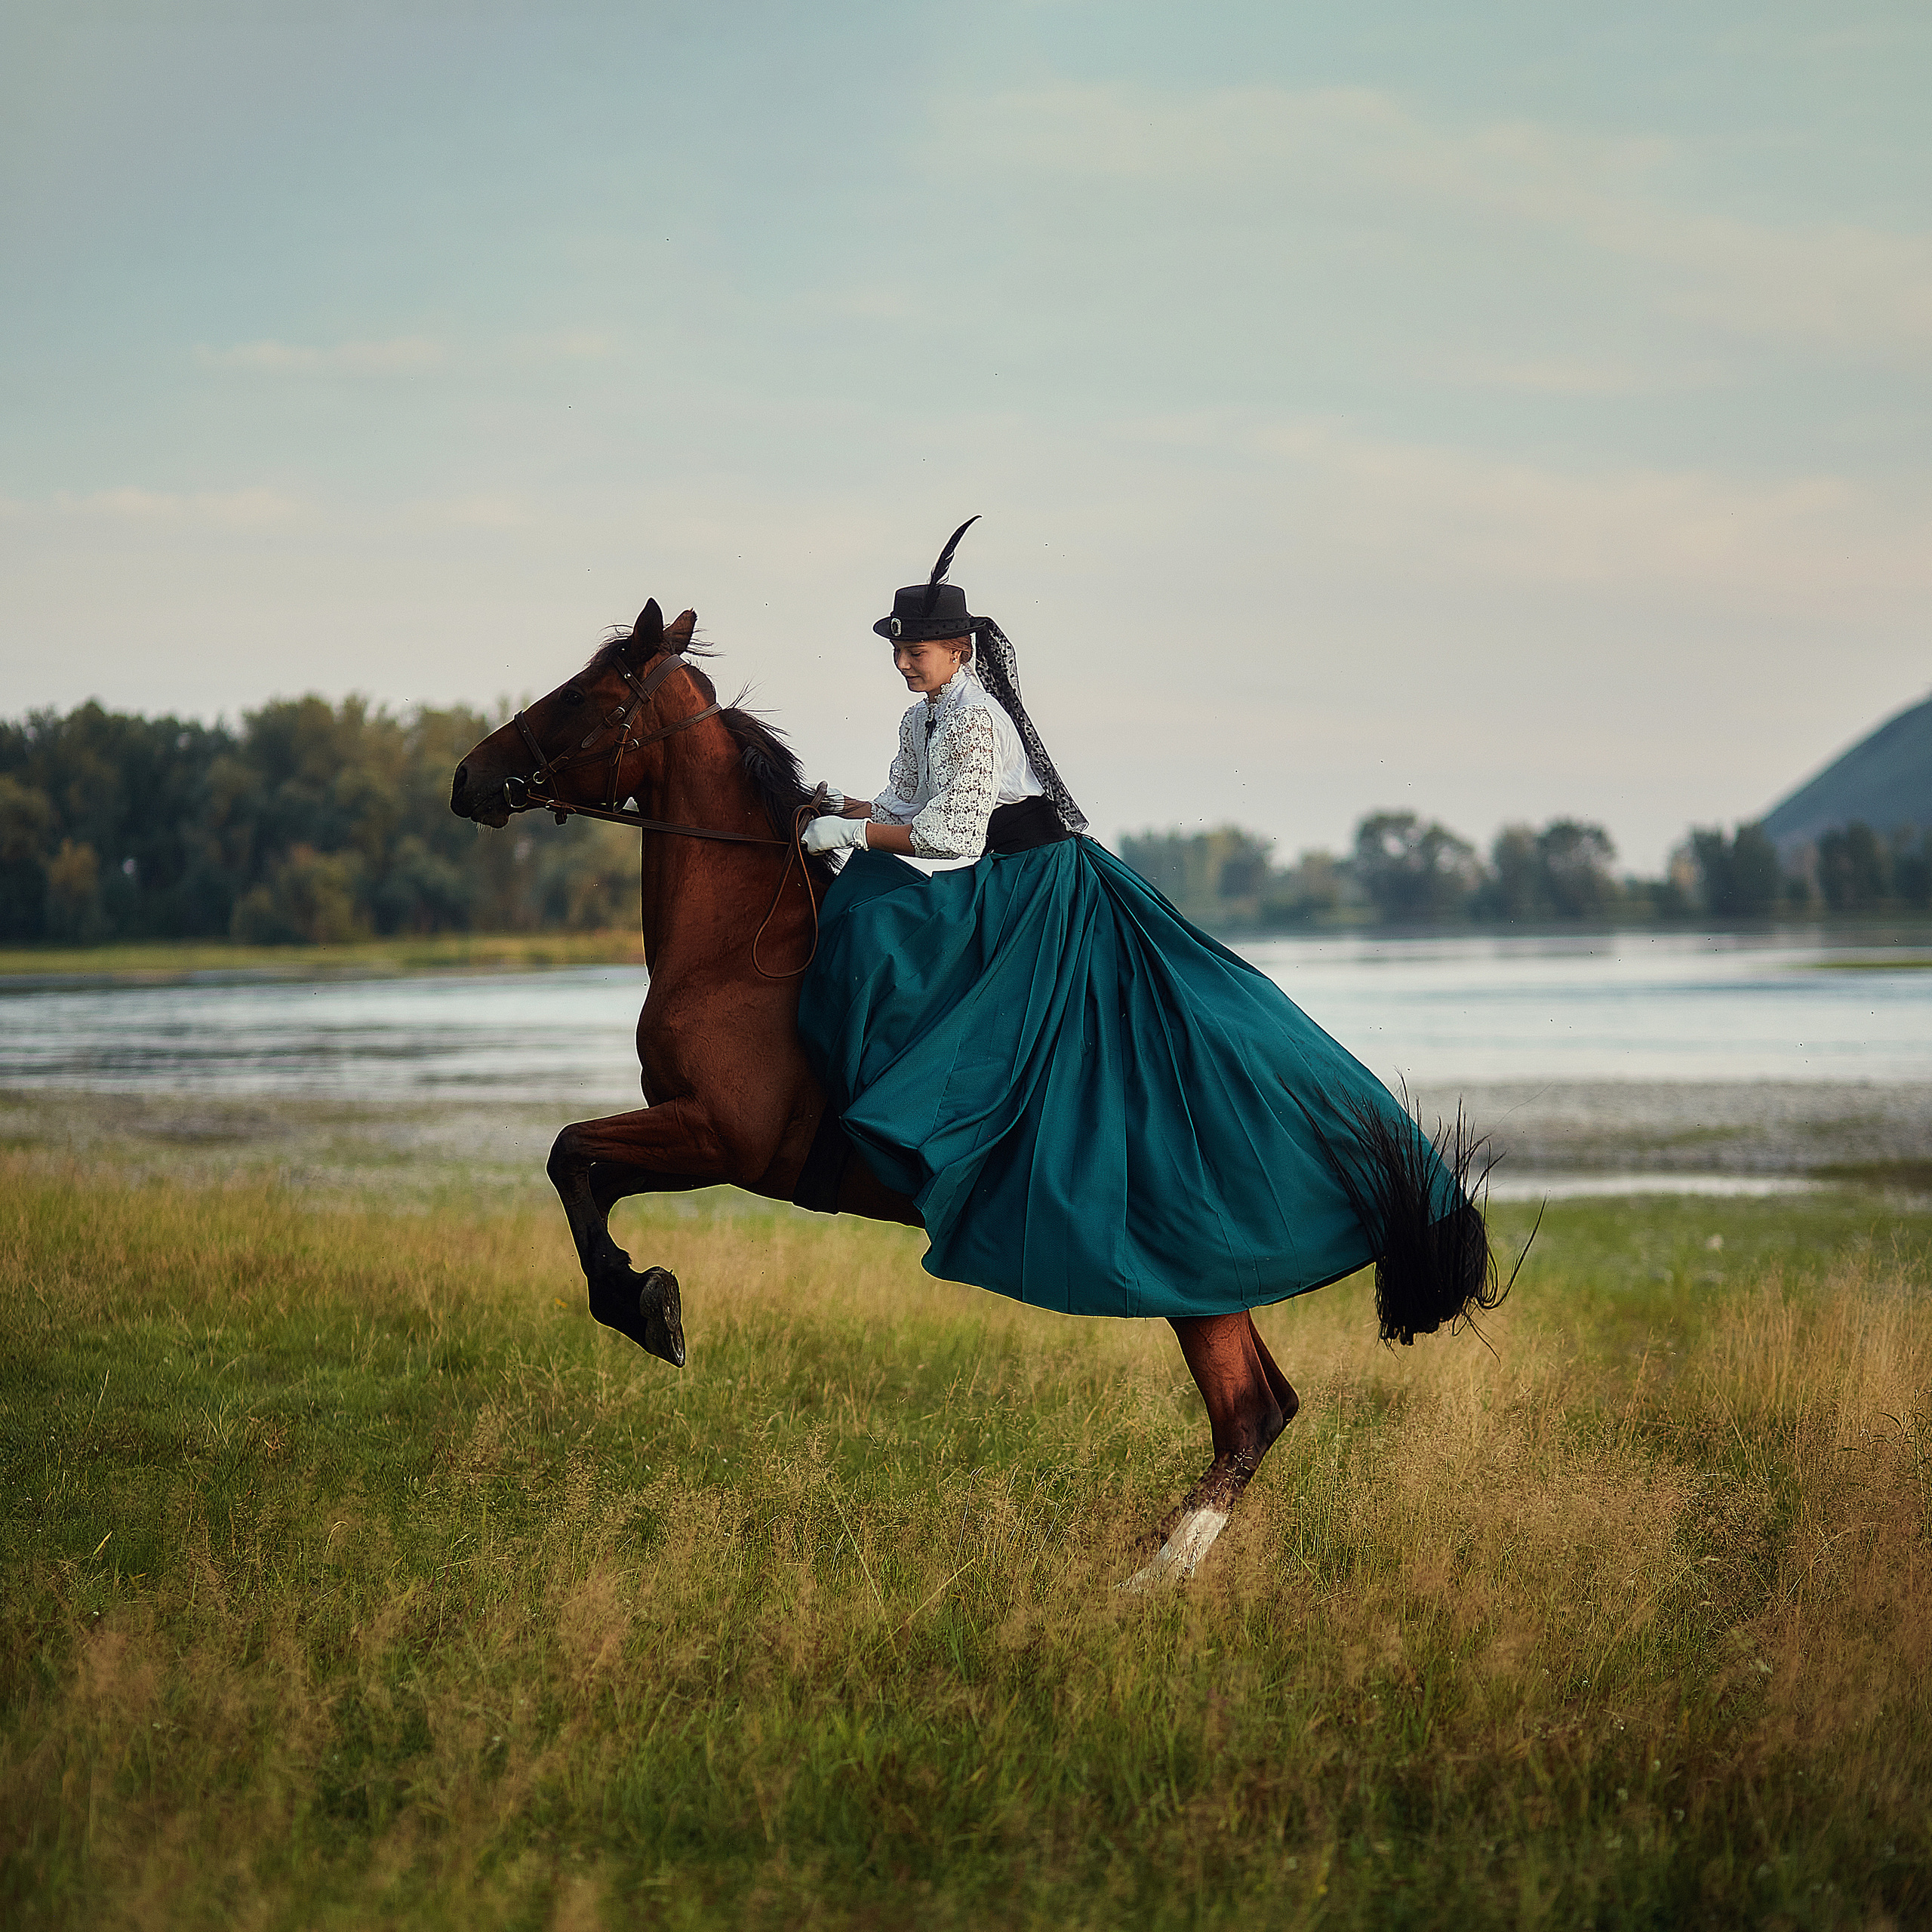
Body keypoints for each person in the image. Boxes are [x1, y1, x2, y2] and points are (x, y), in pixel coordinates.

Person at [796, 518, 1488, 1339]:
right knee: (873, 918)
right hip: (994, 882)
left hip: (1035, 886)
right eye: (900, 650)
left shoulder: (978, 718)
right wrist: (839, 805)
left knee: (885, 935)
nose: (907, 662)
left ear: (961, 651)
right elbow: (910, 807)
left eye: (923, 649)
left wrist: (852, 838)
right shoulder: (920, 722)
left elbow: (954, 838)